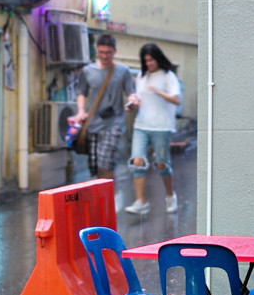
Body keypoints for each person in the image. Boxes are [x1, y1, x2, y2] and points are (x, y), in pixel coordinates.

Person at [124, 43, 182, 215]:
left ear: (158, 58)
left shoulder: (168, 76)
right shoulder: (142, 76)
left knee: (162, 164)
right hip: (142, 125)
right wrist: (133, 104)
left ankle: (170, 196)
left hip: (162, 127)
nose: (148, 63)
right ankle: (141, 201)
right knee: (137, 161)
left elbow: (176, 100)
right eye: (145, 61)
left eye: (151, 60)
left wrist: (158, 92)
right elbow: (139, 98)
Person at [71, 34, 139, 180]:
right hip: (93, 124)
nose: (105, 56)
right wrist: (81, 111)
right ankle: (100, 199)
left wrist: (132, 101)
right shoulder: (87, 71)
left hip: (113, 124)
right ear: (97, 51)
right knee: (95, 167)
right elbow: (81, 92)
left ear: (115, 51)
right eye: (101, 52)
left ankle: (109, 199)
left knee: (105, 163)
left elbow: (131, 92)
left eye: (108, 52)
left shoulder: (123, 71)